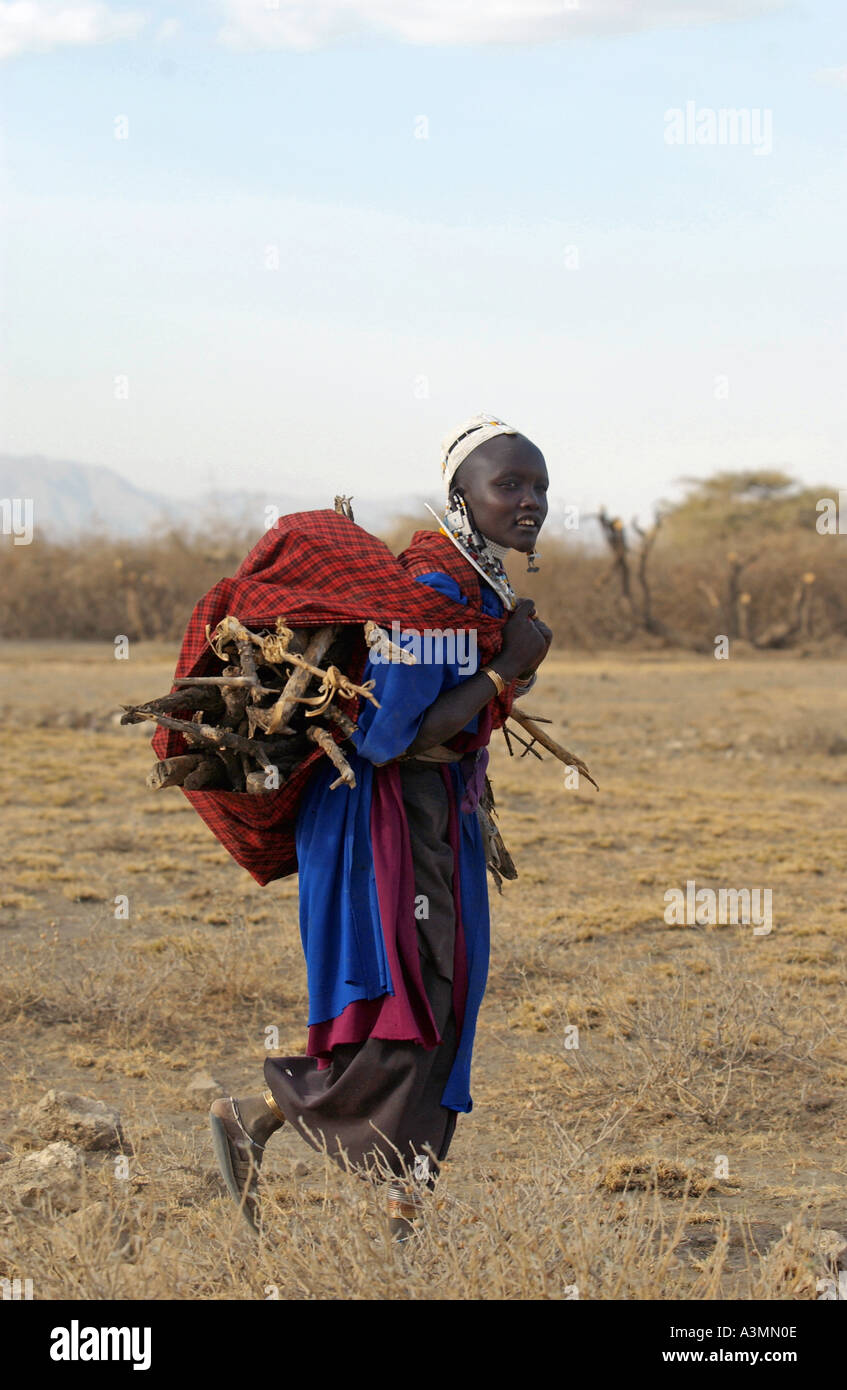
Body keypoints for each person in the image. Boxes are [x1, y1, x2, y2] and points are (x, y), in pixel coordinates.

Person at [210, 413, 552, 1237]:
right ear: (460, 494)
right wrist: (508, 670)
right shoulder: (432, 590)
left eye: (539, 485)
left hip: (440, 817)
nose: (530, 500)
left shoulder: (478, 583)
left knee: (447, 998)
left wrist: (503, 668)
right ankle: (274, 1125)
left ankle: (340, 1172)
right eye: (509, 483)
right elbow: (389, 735)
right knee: (414, 1000)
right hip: (383, 818)